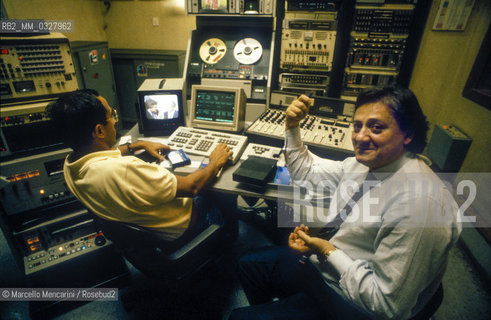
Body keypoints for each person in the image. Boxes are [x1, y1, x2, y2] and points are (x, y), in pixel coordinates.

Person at [230, 87, 462, 320]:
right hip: (330, 265)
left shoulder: (421, 205)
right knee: (249, 264)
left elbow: (386, 307)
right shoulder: (364, 165)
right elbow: (306, 172)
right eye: (357, 125)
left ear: (407, 134)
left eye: (376, 127)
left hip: (357, 304)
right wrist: (291, 126)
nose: (360, 137)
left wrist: (327, 250)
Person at [47, 89, 234, 244]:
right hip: (182, 230)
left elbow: (98, 155)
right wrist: (215, 161)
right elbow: (191, 187)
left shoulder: (71, 165)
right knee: (220, 186)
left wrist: (133, 146)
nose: (114, 121)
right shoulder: (124, 169)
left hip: (143, 231)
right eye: (111, 117)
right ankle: (227, 241)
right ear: (99, 131)